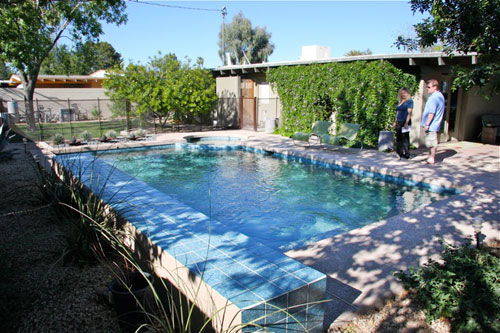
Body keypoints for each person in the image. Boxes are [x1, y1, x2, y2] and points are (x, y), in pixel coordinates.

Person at [421, 79, 445, 164]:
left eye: (429, 87)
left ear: (435, 87)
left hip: (431, 124)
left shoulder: (434, 98)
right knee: (430, 141)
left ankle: (431, 158)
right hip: (434, 124)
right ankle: (430, 157)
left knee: (431, 142)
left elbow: (432, 112)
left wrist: (427, 124)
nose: (427, 89)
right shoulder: (440, 95)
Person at [393, 87, 413, 159]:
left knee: (405, 138)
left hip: (405, 121)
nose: (403, 95)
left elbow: (409, 113)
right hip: (399, 121)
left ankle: (407, 153)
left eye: (404, 93)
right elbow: (397, 112)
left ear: (407, 93)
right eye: (402, 93)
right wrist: (395, 121)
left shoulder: (409, 101)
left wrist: (406, 123)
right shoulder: (400, 102)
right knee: (399, 138)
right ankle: (399, 153)